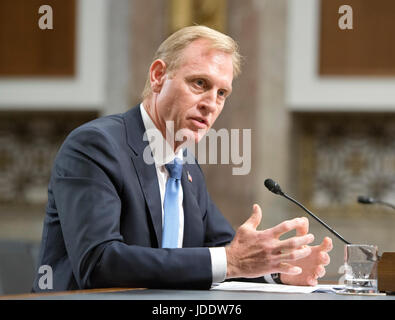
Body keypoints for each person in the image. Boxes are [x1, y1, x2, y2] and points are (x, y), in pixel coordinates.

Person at [32, 26, 332, 292]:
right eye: (200, 83)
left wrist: (279, 270)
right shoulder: (96, 146)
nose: (210, 104)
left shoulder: (184, 165)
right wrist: (232, 261)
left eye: (222, 93)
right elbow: (98, 263)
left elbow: (223, 253)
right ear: (159, 75)